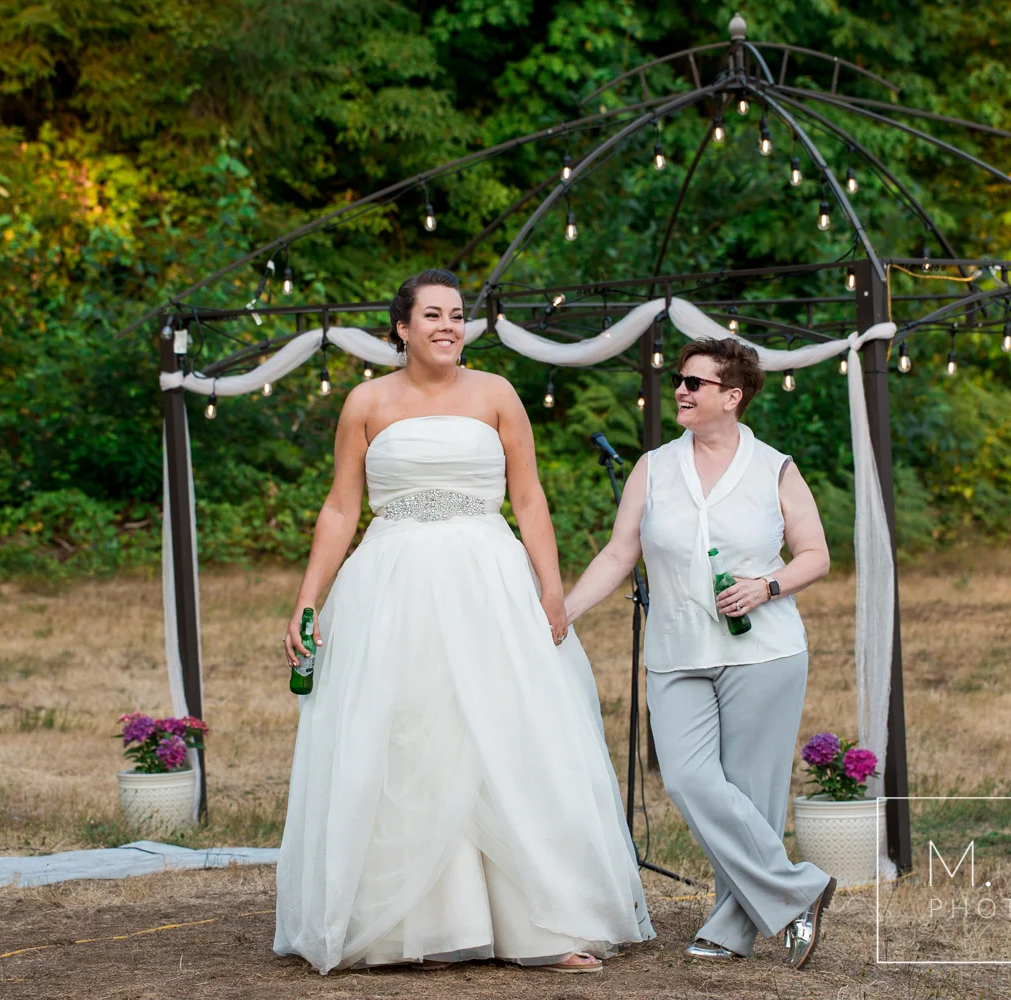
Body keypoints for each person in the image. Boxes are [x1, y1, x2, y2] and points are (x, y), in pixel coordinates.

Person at [273, 268, 653, 974]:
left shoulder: (497, 394)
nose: (449, 326)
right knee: (408, 733)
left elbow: (529, 498)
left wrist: (551, 590)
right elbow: (340, 507)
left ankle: (540, 924)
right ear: (402, 328)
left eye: (456, 315)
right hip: (393, 585)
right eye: (433, 315)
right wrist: (308, 599)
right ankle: (407, 925)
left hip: (487, 579)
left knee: (507, 729)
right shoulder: (365, 402)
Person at [564, 336, 838, 968]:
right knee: (689, 780)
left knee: (752, 794)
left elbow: (816, 555)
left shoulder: (775, 468)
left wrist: (767, 586)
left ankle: (731, 930)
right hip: (675, 649)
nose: (681, 391)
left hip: (764, 652)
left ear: (732, 396)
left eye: (694, 382)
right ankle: (800, 890)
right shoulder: (653, 466)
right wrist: (565, 612)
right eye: (680, 381)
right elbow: (619, 553)